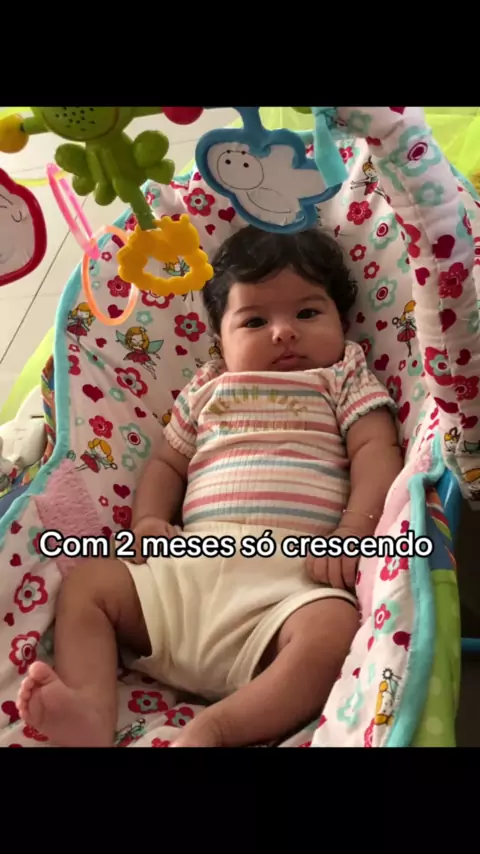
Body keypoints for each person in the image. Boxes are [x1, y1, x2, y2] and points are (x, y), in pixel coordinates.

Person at [16, 225, 403, 748]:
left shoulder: (341, 376)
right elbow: (166, 464)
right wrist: (149, 520)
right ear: (220, 341)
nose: (283, 332)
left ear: (341, 320)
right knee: (88, 585)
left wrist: (354, 529)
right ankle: (90, 708)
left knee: (334, 630)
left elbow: (376, 449)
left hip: (290, 586)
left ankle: (217, 727)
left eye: (308, 313)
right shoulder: (208, 386)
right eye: (255, 321)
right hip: (184, 577)